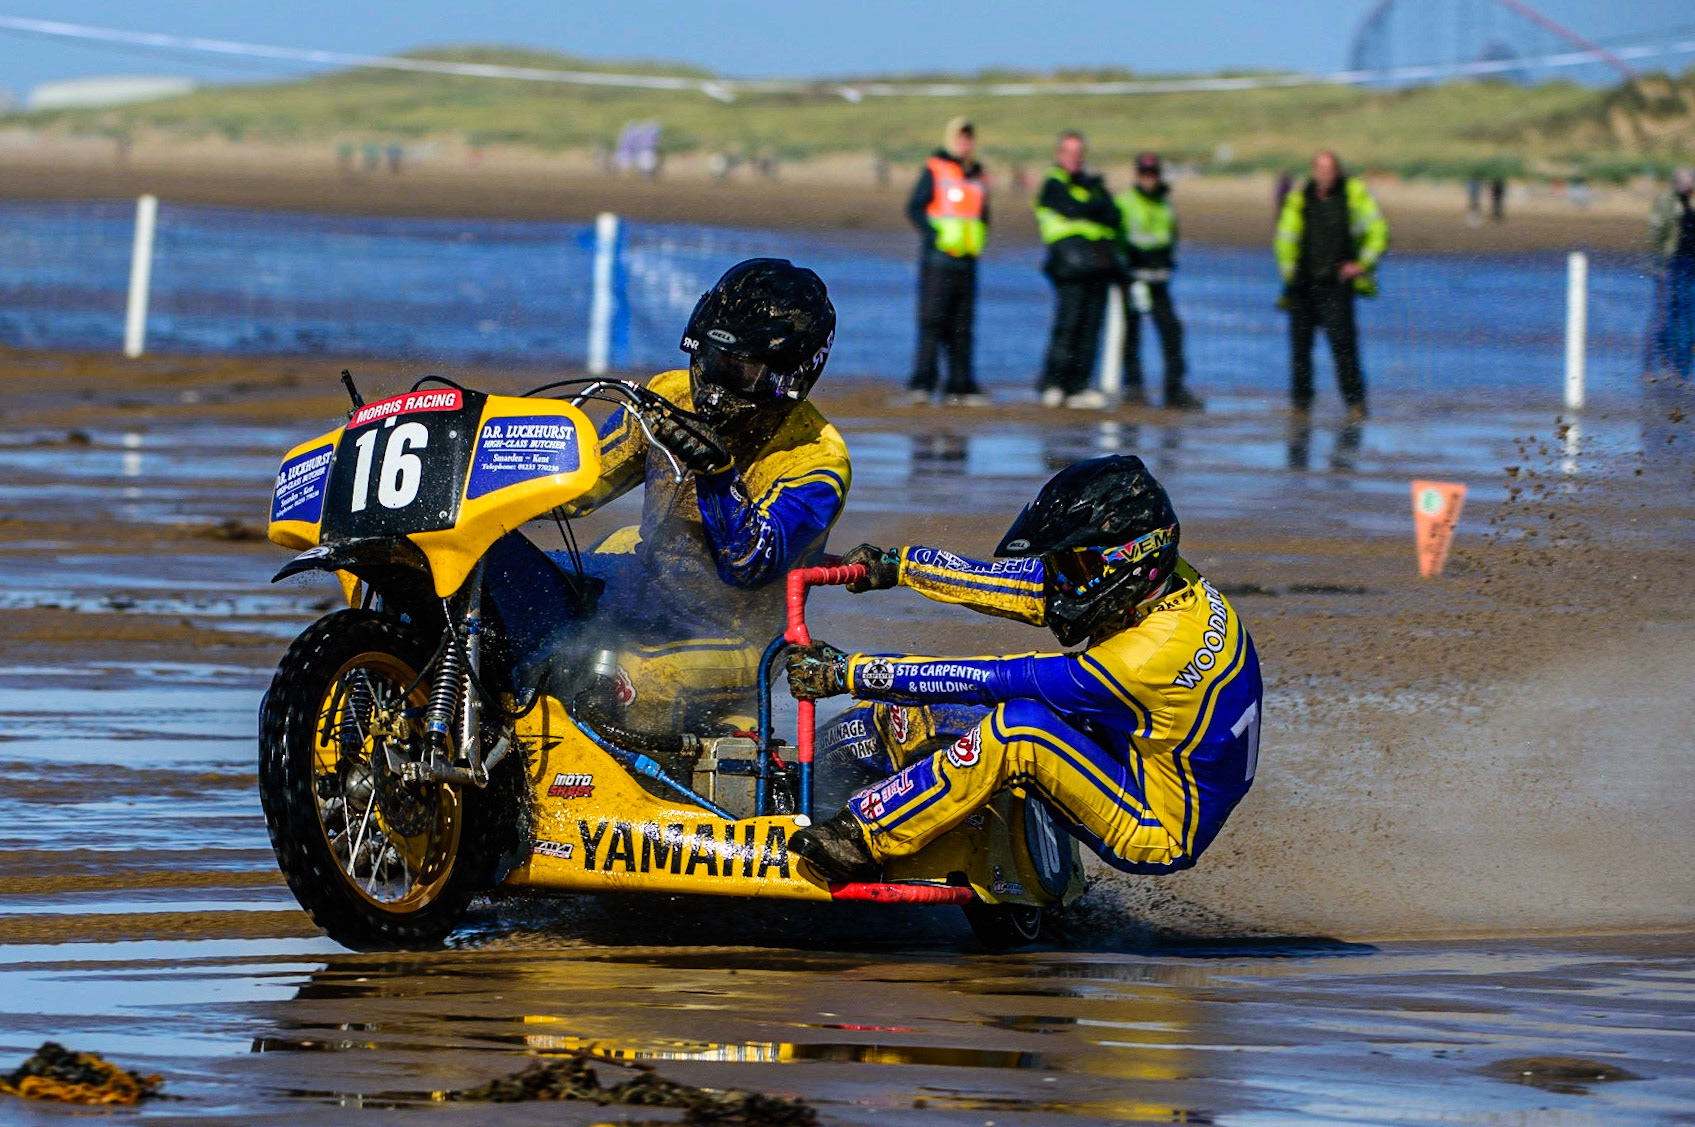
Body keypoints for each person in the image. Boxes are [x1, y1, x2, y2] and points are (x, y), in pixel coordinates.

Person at [786, 454, 1263, 883]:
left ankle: (860, 839)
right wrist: (903, 567)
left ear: (1133, 561)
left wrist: (851, 672)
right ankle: (794, 786)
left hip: (1154, 825)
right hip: (1134, 747)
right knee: (917, 713)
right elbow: (1028, 585)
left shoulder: (1150, 655)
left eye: (1072, 568)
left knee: (1018, 730)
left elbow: (1003, 679)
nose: (1058, 579)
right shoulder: (1166, 583)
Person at [566, 258, 852, 736]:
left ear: (794, 377)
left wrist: (718, 473)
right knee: (528, 607)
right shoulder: (666, 395)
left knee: (634, 683)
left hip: (737, 640)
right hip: (647, 593)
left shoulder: (818, 462)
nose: (714, 390)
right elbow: (577, 486)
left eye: (740, 372)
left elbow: (746, 564)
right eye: (712, 363)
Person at [1274, 150, 1389, 422]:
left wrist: (1362, 265)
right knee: (1300, 350)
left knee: (1344, 348)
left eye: (1330, 168)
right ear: (1312, 171)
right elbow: (1285, 240)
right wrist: (1290, 278)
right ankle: (1300, 407)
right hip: (1303, 285)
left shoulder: (1353, 195)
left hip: (1337, 285)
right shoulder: (1299, 197)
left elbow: (1379, 232)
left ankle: (1355, 404)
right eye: (1319, 168)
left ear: (1338, 171)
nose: (1324, 174)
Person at [901, 117, 990, 406]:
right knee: (932, 323)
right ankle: (922, 384)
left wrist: (977, 239)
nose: (965, 144)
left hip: (967, 262)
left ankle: (960, 385)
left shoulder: (977, 174)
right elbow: (915, 207)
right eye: (961, 138)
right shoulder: (936, 168)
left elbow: (981, 214)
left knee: (963, 326)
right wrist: (935, 234)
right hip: (938, 261)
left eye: (969, 138)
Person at [1033, 131, 1122, 409]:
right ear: (1059, 154)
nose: (1074, 157)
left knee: (1091, 327)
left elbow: (1114, 214)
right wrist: (1092, 208)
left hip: (1098, 264)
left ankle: (1078, 386)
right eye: (1069, 151)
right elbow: (1072, 208)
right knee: (1068, 325)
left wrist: (1091, 207)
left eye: (1078, 152)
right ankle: (1053, 383)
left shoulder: (1093, 185)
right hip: (1069, 265)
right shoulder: (1053, 183)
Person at [1116, 152, 1202, 411]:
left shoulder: (1165, 203)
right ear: (1137, 174)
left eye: (1153, 174)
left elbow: (1171, 236)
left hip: (1159, 281)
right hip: (1133, 280)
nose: (1149, 179)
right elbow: (1116, 239)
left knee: (1172, 331)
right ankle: (1133, 387)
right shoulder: (1125, 202)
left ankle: (1174, 389)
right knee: (1131, 334)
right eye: (1144, 173)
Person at [1648, 167, 1695, 379]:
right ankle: (1657, 366)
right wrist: (1657, 266)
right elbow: (1658, 235)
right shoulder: (1669, 202)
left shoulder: (1686, 202)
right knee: (1666, 317)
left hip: (1685, 264)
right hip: (1673, 264)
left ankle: (1680, 370)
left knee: (1686, 318)